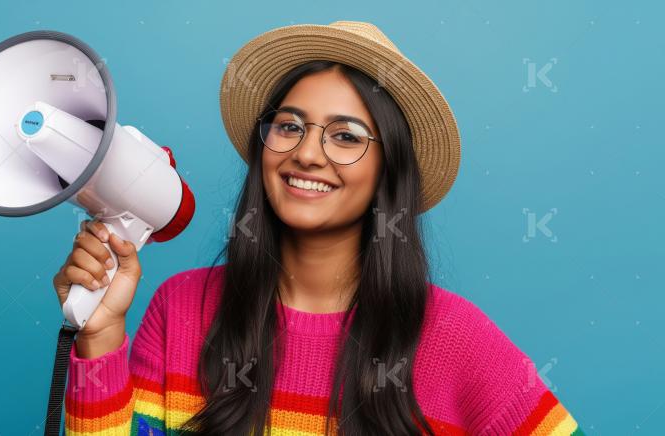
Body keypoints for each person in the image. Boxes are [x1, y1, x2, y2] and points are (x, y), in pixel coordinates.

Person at [52, 21, 583, 435]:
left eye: (346, 137)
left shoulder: (456, 338)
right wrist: (99, 336)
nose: (306, 154)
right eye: (288, 126)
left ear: (386, 172)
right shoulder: (180, 310)